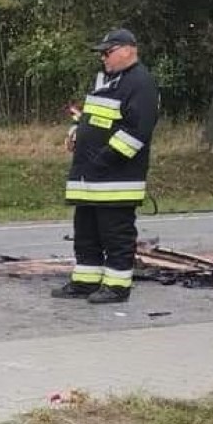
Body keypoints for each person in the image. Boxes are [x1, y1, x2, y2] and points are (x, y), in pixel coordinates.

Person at [53, 29, 159, 304]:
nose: (103, 58)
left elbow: (137, 131)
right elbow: (91, 117)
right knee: (85, 233)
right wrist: (76, 132)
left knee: (116, 236)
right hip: (89, 179)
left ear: (128, 50)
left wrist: (105, 158)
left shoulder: (141, 83)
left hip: (116, 180)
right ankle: (86, 282)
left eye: (107, 52)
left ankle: (116, 287)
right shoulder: (105, 81)